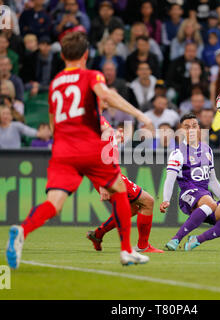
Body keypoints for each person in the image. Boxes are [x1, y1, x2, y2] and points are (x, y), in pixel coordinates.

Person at [5, 31, 152, 269]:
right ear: (86, 55)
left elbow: (54, 124)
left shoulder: (54, 84)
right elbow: (105, 95)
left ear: (62, 55)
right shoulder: (91, 75)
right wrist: (138, 114)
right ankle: (126, 251)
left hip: (63, 149)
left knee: (54, 203)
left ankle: (22, 230)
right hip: (88, 146)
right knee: (118, 189)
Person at [160, 113, 220, 251]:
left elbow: (212, 180)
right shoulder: (177, 153)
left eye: (194, 126)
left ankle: (197, 240)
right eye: (187, 127)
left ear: (199, 129)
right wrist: (166, 199)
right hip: (188, 195)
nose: (192, 130)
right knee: (209, 202)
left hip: (207, 199)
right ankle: (176, 239)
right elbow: (170, 179)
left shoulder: (207, 149)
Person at [87, 174, 163, 253]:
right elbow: (97, 164)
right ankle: (143, 246)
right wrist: (103, 185)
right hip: (109, 178)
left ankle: (98, 234)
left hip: (111, 177)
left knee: (132, 209)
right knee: (147, 201)